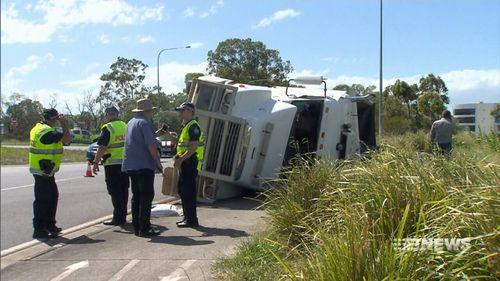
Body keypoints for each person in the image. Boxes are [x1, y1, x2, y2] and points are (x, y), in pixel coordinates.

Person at [122, 98, 163, 237]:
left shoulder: (130, 123)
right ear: (148, 111)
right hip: (144, 164)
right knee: (146, 196)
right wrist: (158, 162)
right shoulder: (145, 123)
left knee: (136, 196)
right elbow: (150, 145)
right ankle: (145, 227)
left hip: (131, 164)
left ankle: (137, 226)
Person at [29, 108, 71, 239]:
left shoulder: (38, 128)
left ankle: (49, 225)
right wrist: (64, 124)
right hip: (43, 170)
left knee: (52, 197)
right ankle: (39, 229)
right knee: (43, 200)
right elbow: (67, 140)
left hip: (45, 170)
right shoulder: (47, 132)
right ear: (53, 118)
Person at [92, 106, 130, 226]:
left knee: (115, 191)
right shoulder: (125, 126)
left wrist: (96, 162)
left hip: (112, 164)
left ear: (108, 115)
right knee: (124, 190)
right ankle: (123, 216)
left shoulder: (107, 128)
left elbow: (102, 147)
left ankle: (118, 218)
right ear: (117, 114)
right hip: (125, 163)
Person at [173, 102, 204, 228]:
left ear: (190, 111)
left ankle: (191, 219)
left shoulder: (193, 126)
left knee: (188, 192)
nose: (180, 113)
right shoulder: (186, 126)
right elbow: (183, 145)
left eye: (183, 110)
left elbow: (193, 147)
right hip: (185, 163)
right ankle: (187, 217)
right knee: (183, 191)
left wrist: (181, 160)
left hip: (190, 163)